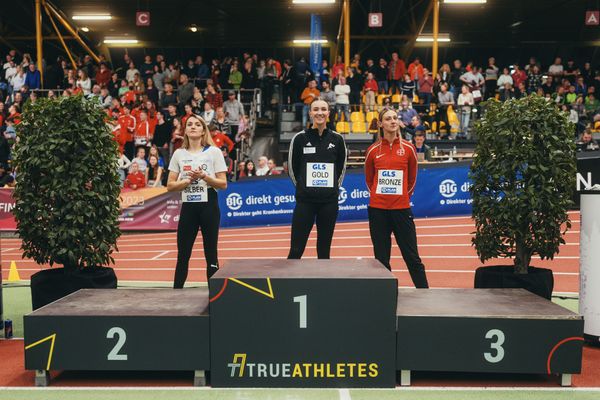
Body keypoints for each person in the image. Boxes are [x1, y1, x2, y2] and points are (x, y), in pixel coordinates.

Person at [364, 107, 429, 288]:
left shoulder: (408, 149)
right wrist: (380, 196)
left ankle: (425, 294)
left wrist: (401, 197)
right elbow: (369, 180)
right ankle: (384, 296)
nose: (393, 121)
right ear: (380, 124)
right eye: (388, 119)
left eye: (395, 118)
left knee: (412, 257)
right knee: (381, 259)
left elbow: (412, 179)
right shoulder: (372, 150)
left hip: (401, 210)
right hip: (378, 211)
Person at [167, 114, 228, 288]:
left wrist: (204, 176)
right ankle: (176, 295)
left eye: (197, 124)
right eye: (189, 125)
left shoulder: (214, 152)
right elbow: (170, 185)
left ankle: (215, 298)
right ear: (185, 130)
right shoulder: (179, 153)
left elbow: (223, 183)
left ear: (203, 130)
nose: (193, 127)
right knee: (183, 255)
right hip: (189, 207)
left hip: (209, 204)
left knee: (211, 254)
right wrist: (186, 181)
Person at [287, 98, 347, 259]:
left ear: (328, 113)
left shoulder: (337, 139)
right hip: (305, 202)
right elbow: (293, 168)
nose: (319, 112)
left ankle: (324, 284)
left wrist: (332, 188)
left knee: (324, 251)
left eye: (323, 109)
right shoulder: (299, 138)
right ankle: (288, 283)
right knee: (296, 249)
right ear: (310, 112)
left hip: (329, 202)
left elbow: (341, 168)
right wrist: (303, 187)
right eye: (316, 109)